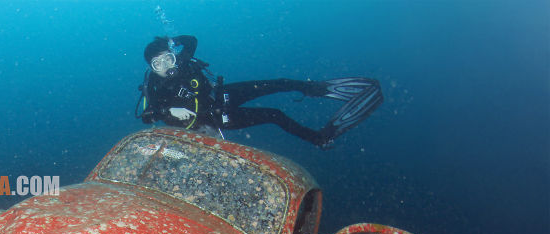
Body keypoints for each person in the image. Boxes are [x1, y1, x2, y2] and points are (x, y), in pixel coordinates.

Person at [136, 35, 383, 149]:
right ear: (151, 68)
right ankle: (319, 138)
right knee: (274, 114)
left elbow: (191, 41)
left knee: (277, 82)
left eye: (167, 58)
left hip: (221, 95)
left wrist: (170, 39)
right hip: (215, 118)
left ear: (173, 56)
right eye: (158, 64)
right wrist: (168, 109)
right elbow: (147, 115)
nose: (166, 67)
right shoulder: (154, 86)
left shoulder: (182, 61)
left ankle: (316, 89)